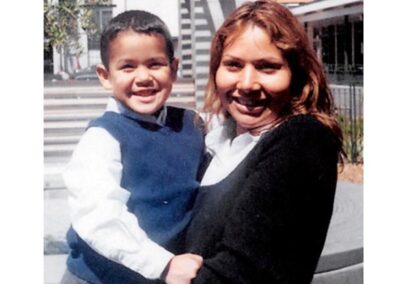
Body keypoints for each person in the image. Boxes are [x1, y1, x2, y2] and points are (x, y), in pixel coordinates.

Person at [168, 1, 345, 283]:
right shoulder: (219, 140)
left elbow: (240, 272)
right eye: (233, 65)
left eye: (267, 67)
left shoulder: (302, 139)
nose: (247, 83)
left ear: (295, 75)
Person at [60, 10, 204, 284]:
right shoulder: (103, 137)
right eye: (128, 67)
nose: (143, 77)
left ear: (173, 69)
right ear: (105, 75)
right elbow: (98, 215)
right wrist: (163, 264)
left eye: (154, 64)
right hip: (99, 279)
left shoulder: (193, 123)